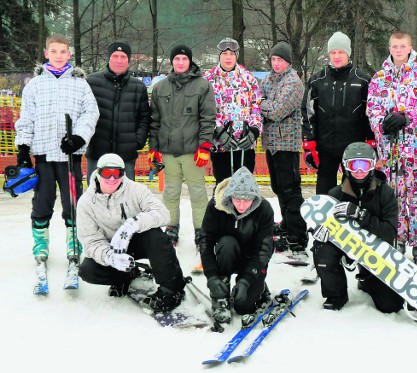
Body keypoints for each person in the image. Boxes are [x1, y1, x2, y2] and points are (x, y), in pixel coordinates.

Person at [14, 34, 99, 267]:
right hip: (42, 154)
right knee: (43, 201)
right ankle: (40, 244)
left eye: (63, 51)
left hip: (70, 156)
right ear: (46, 53)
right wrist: (23, 148)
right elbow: (26, 118)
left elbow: (90, 113)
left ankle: (74, 243)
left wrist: (78, 137)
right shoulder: (34, 85)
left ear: (69, 54)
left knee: (73, 201)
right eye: (54, 51)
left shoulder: (80, 84)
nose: (59, 56)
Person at [77, 153, 186, 312]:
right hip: (113, 247)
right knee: (88, 270)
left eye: (118, 173)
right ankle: (125, 274)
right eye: (107, 173)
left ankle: (172, 288)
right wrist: (110, 257)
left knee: (157, 237)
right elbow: (91, 241)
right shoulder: (86, 203)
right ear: (98, 172)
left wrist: (133, 224)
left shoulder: (136, 190)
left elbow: (163, 214)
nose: (112, 178)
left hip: (138, 241)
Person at [366, 31, 417, 266]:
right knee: (392, 194)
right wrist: (382, 124)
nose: (398, 50)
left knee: (416, 195)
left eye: (402, 46)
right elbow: (372, 108)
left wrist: (407, 117)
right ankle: (398, 235)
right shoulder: (379, 77)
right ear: (390, 48)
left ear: (409, 47)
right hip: (389, 148)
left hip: (413, 146)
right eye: (394, 46)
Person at [311, 142, 404, 312]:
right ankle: (336, 295)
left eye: (364, 164)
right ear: (346, 166)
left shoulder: (386, 194)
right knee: (321, 247)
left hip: (375, 251)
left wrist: (361, 215)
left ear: (372, 165)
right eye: (354, 165)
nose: (359, 170)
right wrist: (319, 231)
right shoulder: (335, 195)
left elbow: (389, 233)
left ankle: (368, 280)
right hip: (347, 246)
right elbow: (324, 224)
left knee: (391, 306)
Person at [148, 45, 216, 271]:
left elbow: (208, 118)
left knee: (198, 193)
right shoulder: (160, 88)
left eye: (183, 58)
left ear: (190, 61)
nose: (180, 62)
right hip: (168, 151)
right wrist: (154, 148)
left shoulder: (202, 85)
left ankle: (202, 232)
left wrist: (205, 146)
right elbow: (154, 121)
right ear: (171, 62)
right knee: (170, 193)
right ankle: (171, 228)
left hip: (192, 152)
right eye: (176, 58)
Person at [302, 31, 374, 195]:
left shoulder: (362, 80)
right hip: (325, 146)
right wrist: (309, 141)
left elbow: (371, 113)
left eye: (341, 52)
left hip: (354, 147)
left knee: (352, 189)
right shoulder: (316, 80)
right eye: (333, 52)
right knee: (324, 191)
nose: (337, 56)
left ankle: (351, 216)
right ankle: (324, 219)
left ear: (348, 53)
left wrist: (371, 139)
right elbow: (307, 112)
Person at [199, 167, 274, 325]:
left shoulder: (264, 210)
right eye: (237, 199)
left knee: (243, 307)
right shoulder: (215, 207)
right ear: (229, 196)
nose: (241, 205)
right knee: (227, 242)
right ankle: (221, 295)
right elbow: (205, 243)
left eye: (247, 200)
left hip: (252, 259)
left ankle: (259, 288)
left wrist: (246, 280)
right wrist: (212, 277)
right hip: (226, 254)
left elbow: (263, 250)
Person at [259, 42, 308, 257]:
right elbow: (258, 100)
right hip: (270, 142)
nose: (276, 63)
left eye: (280, 60)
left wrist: (263, 103)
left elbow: (278, 111)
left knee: (290, 189)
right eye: (273, 59)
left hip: (287, 143)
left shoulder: (293, 82)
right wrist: (265, 103)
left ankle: (298, 234)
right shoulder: (268, 79)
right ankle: (286, 224)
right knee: (278, 186)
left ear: (288, 61)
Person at [86, 41, 151, 180]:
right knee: (96, 196)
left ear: (128, 60)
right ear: (109, 58)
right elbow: (83, 114)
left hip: (126, 154)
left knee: (127, 197)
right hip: (97, 152)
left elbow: (144, 117)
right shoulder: (91, 82)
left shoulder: (138, 87)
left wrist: (137, 141)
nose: (119, 60)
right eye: (115, 56)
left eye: (123, 57)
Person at [203, 37, 262, 182]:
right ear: (219, 55)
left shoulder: (248, 78)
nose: (228, 57)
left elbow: (256, 106)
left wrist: (254, 131)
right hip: (221, 144)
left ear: (237, 55)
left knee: (244, 186)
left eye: (232, 54)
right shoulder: (208, 79)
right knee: (223, 186)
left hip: (244, 144)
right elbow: (205, 109)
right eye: (224, 53)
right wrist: (219, 132)